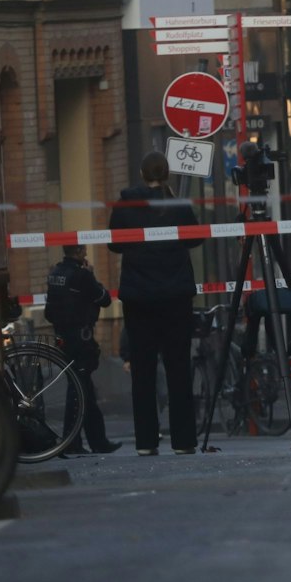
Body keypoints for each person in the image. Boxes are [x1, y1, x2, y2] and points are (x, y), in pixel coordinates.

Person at [108, 152, 206, 455]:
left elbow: (114, 243)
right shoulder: (177, 205)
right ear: (166, 174)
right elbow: (195, 239)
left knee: (143, 371)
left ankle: (146, 442)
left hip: (139, 296)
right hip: (176, 296)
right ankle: (184, 441)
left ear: (141, 173)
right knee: (178, 368)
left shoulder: (126, 205)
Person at [42, 244, 121, 454]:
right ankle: (72, 442)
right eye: (84, 250)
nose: (86, 253)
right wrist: (92, 275)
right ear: (78, 252)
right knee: (78, 388)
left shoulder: (55, 273)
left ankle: (97, 440)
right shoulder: (82, 275)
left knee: (83, 388)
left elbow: (50, 310)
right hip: (80, 337)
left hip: (63, 335)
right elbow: (104, 299)